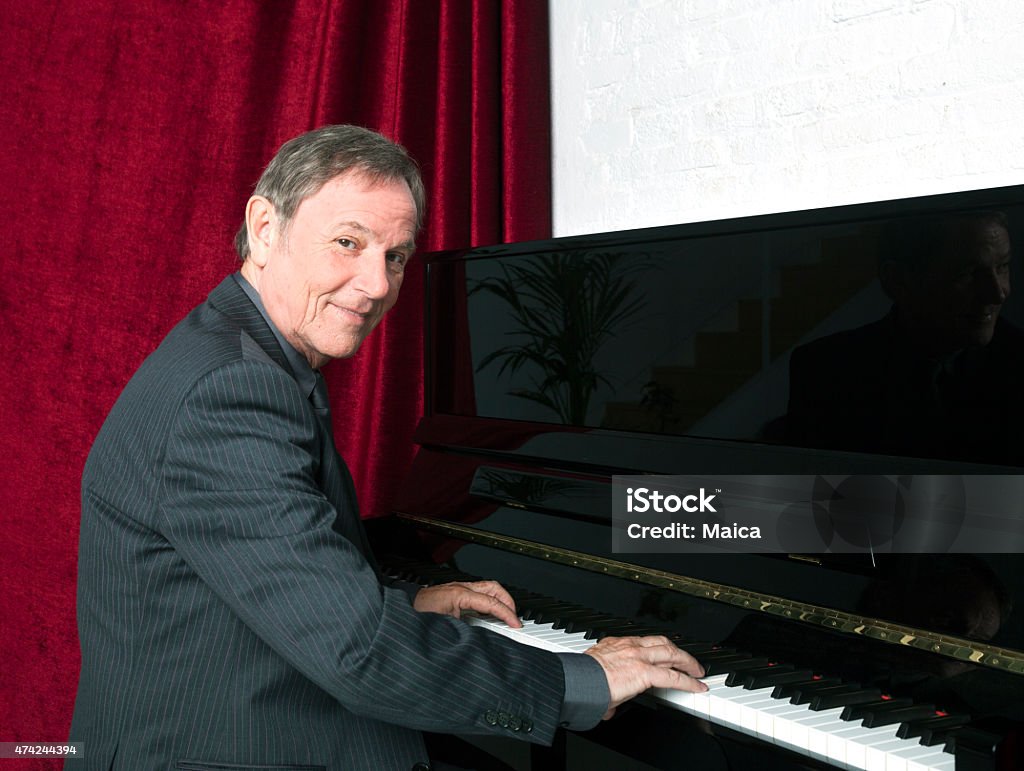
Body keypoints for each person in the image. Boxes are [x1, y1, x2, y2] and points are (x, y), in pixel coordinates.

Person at [67, 125, 707, 771]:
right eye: (348, 243)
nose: (375, 285)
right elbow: (356, 652)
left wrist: (402, 605)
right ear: (265, 226)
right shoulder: (230, 389)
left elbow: (261, 583)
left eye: (396, 256)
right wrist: (582, 680)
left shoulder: (240, 350)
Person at [786, 210, 1024, 466]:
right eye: (967, 273)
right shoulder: (826, 371)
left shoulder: (1018, 363)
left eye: (1003, 267)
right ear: (897, 280)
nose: (998, 293)